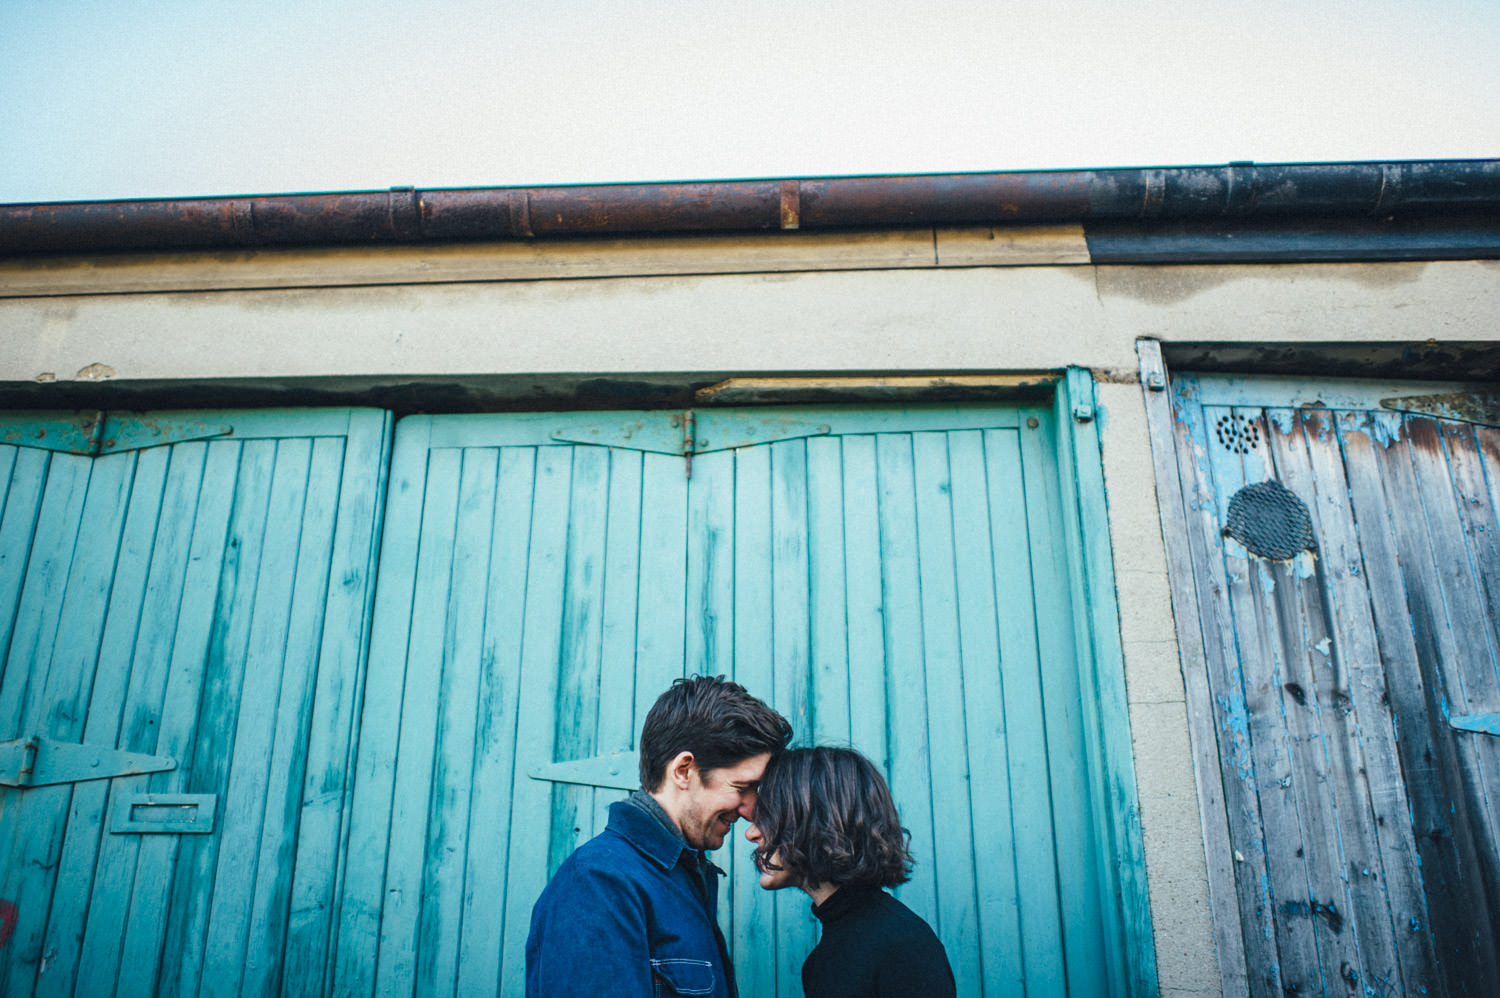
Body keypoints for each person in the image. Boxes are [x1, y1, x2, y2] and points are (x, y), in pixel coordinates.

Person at [525, 674, 792, 998]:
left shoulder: (681, 875)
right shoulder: (598, 884)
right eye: (742, 787)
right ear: (683, 771)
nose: (752, 809)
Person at [745, 746, 956, 998]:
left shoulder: (904, 947)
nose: (752, 833)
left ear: (818, 819)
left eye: (768, 818)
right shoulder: (819, 961)